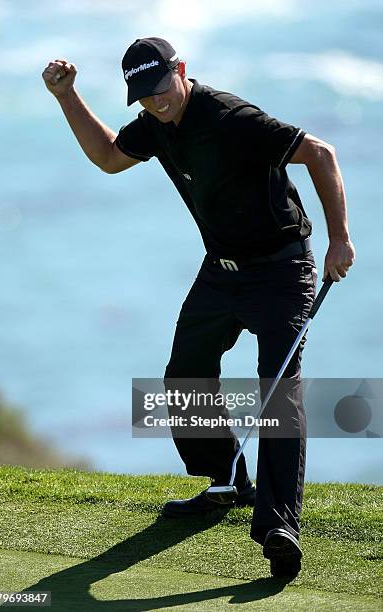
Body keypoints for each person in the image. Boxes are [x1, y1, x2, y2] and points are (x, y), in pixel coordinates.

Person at [42, 37, 355, 577]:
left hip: (282, 270)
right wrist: (67, 96)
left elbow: (320, 154)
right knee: (185, 373)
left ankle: (279, 523)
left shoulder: (232, 117)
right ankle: (226, 479)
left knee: (278, 390)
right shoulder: (159, 123)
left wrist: (339, 240)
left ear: (181, 70)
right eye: (144, 96)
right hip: (221, 270)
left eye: (162, 87)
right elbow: (110, 157)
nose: (157, 101)